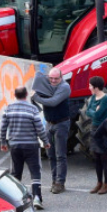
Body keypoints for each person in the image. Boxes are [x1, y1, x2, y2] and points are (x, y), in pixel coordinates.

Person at [0, 85, 50, 209]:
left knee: (16, 173)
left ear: (15, 95)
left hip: (15, 145)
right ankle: (37, 197)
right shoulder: (32, 109)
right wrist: (45, 141)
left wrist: (3, 142)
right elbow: (39, 128)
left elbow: (3, 127)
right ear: (26, 95)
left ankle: (15, 199)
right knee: (35, 172)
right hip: (31, 146)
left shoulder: (8, 109)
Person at [32, 66, 72, 194]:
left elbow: (53, 102)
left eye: (56, 79)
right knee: (50, 154)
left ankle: (60, 183)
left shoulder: (65, 87)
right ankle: (54, 180)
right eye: (51, 78)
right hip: (49, 123)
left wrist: (36, 98)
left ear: (61, 77)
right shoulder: (46, 81)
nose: (53, 81)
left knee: (60, 155)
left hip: (61, 123)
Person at [85, 77, 107, 195]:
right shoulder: (93, 98)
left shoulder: (106, 99)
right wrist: (93, 111)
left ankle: (106, 184)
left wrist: (93, 111)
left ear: (96, 87)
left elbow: (97, 115)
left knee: (104, 158)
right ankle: (99, 182)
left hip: (104, 131)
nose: (89, 88)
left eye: (91, 86)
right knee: (96, 158)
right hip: (94, 130)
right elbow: (88, 112)